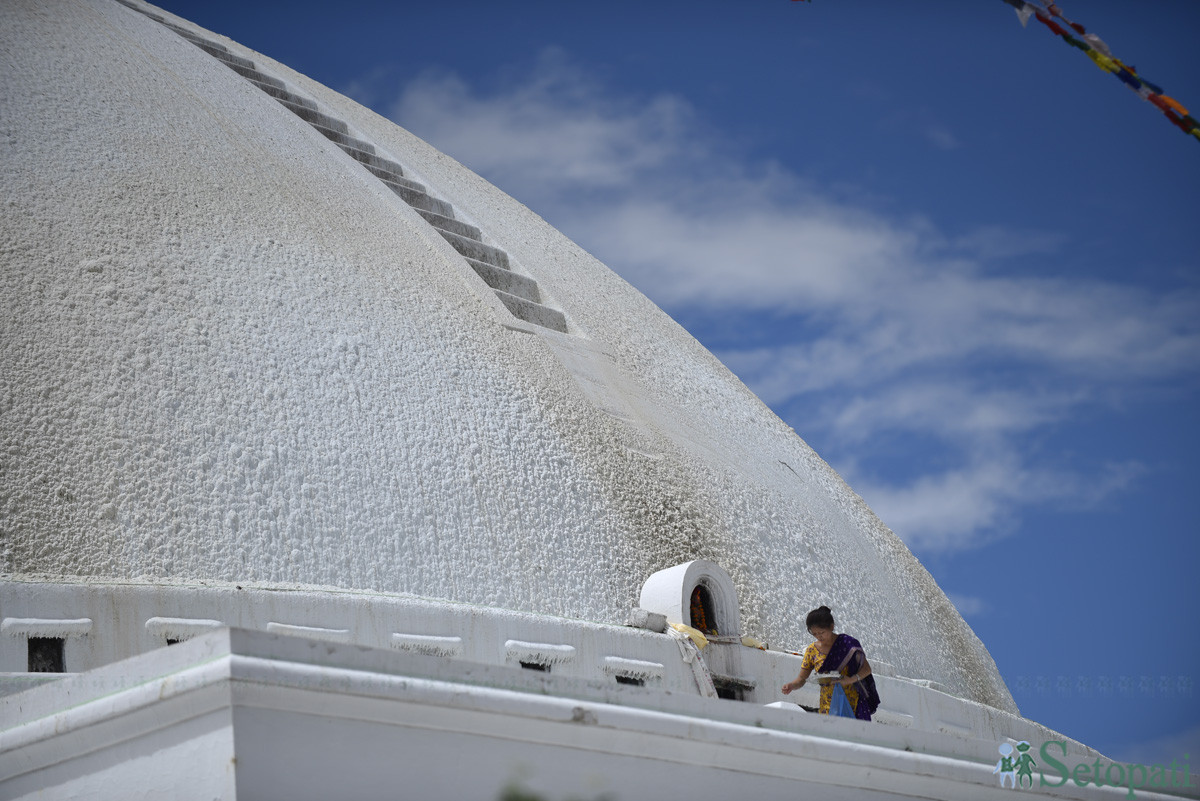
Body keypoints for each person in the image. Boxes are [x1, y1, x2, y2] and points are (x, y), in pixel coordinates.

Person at [781, 605, 880, 721]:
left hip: (852, 703)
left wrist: (850, 680)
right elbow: (801, 679)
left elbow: (867, 669)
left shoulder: (847, 644)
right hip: (827, 706)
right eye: (815, 634)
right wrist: (791, 685)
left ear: (831, 627)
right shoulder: (812, 651)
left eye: (821, 632)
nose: (819, 636)